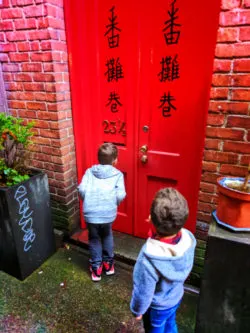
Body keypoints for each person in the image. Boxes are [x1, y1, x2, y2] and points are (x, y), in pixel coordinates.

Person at [130, 188, 196, 333]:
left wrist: (137, 311)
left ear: (150, 220)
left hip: (158, 307)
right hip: (176, 297)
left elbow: (143, 291)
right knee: (171, 323)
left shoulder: (148, 258)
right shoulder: (189, 241)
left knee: (156, 328)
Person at [78, 143, 126, 281]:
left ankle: (96, 269)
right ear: (115, 160)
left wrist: (86, 201)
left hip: (90, 213)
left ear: (98, 158)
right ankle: (108, 265)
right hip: (107, 213)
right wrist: (113, 203)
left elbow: (81, 189)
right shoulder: (117, 174)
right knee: (107, 235)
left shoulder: (89, 172)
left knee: (94, 238)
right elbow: (121, 194)